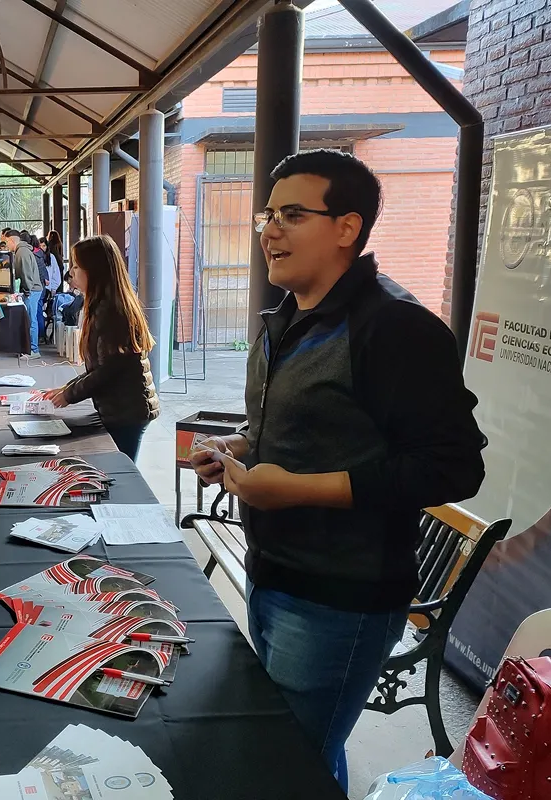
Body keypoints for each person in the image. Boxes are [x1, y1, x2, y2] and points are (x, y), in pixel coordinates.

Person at [188, 149, 486, 792]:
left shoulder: (394, 327)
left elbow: (453, 466)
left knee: (285, 763)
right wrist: (240, 450)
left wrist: (295, 489)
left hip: (339, 597)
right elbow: (307, 431)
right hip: (273, 568)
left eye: (292, 215)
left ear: (347, 228)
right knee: (303, 752)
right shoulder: (286, 318)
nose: (269, 230)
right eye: (268, 213)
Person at [41, 236, 158, 461]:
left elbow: (108, 371)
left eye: (76, 266)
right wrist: (67, 387)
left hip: (127, 411)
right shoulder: (102, 305)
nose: (71, 272)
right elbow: (101, 366)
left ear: (94, 270)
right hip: (121, 408)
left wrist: (69, 395)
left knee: (124, 473)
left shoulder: (112, 312)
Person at [7, 229, 44, 355]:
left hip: (32, 290)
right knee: (30, 319)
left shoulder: (21, 253)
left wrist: (27, 291)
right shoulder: (22, 251)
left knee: (31, 320)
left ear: (12, 240)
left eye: (7, 242)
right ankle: (30, 348)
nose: (7, 245)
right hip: (32, 289)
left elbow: (26, 274)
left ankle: (34, 350)